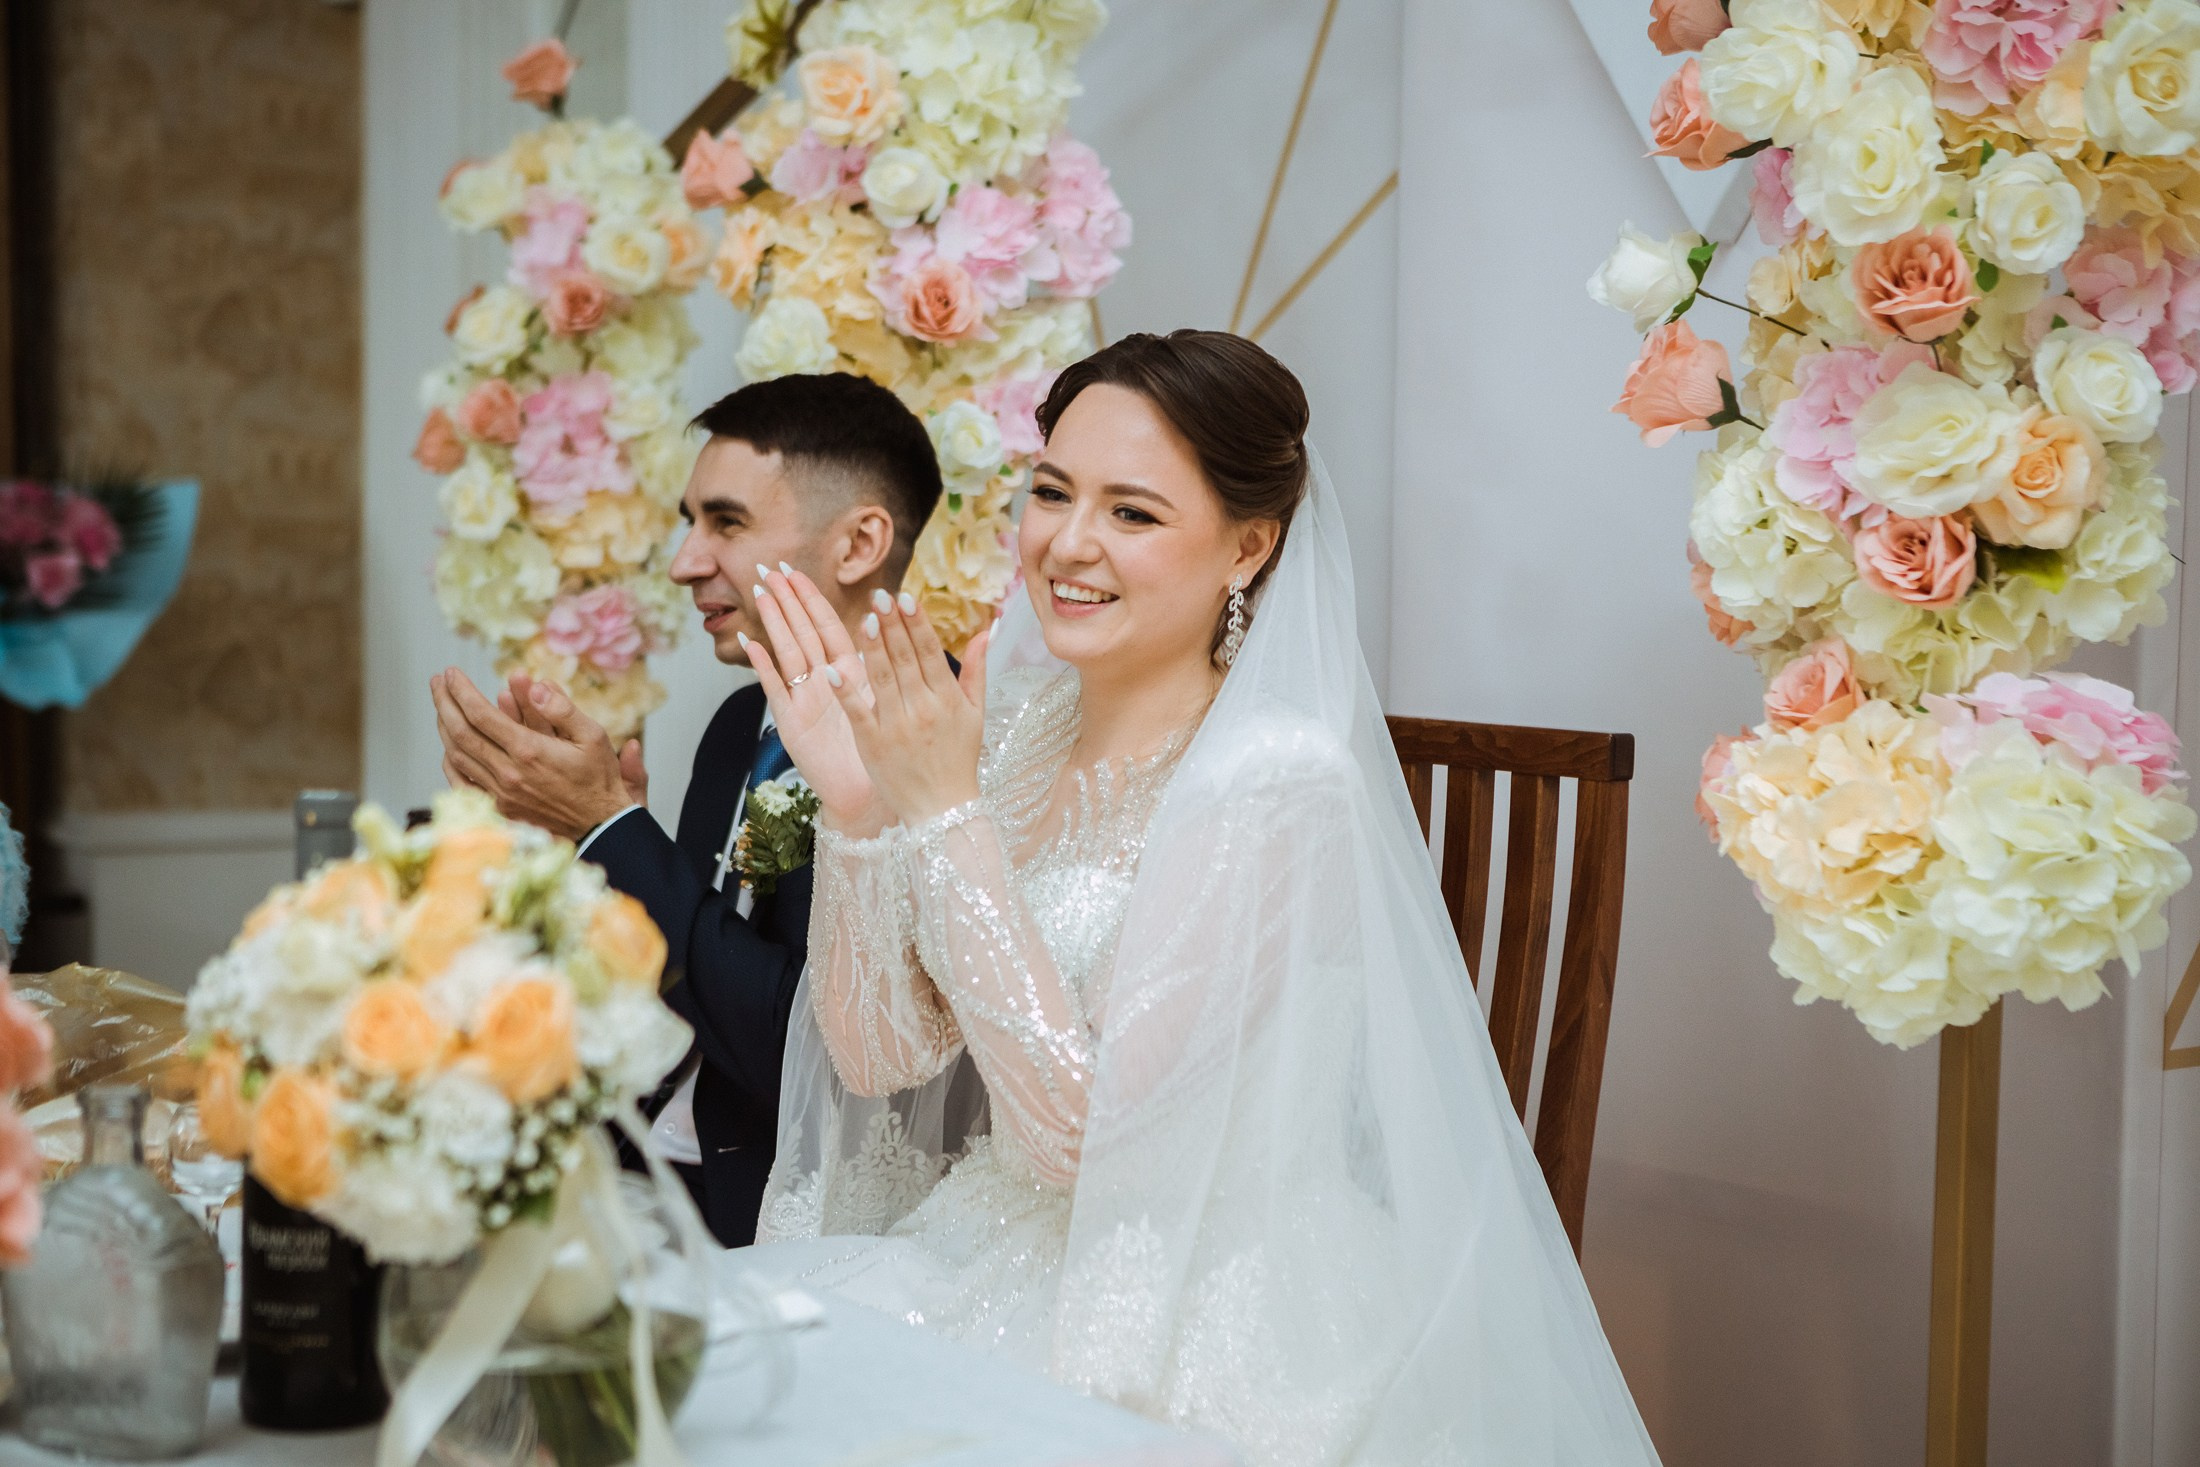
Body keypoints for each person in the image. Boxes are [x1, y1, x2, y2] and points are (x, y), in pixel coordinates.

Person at [738, 331, 1661, 1464]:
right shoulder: (1014, 731)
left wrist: (940, 816)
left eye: (1133, 513)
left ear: (1248, 548)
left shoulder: (1275, 780)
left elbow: (1083, 1141)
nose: (1068, 545)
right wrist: (860, 811)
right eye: (1052, 493)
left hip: (1192, 1316)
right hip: (990, 1248)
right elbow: (883, 1056)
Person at [428, 372, 943, 1246]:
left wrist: (616, 835)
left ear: (858, 544)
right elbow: (692, 986)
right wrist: (588, 857)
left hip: (797, 1229)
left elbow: (803, 1049)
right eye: (689, 521)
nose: (685, 561)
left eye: (727, 522)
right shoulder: (740, 722)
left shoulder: (929, 751)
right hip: (649, 1183)